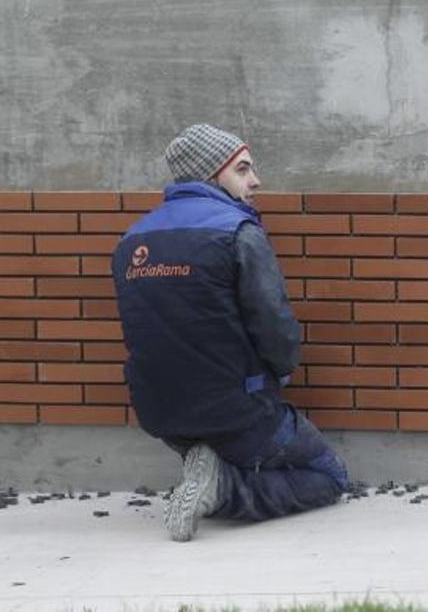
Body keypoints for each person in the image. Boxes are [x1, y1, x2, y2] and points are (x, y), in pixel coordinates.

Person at [112, 123, 349, 542]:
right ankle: (224, 488)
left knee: (232, 445)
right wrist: (280, 373)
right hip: (240, 413)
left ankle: (209, 472)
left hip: (163, 417)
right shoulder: (238, 232)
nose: (255, 180)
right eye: (242, 169)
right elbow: (275, 328)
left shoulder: (132, 242)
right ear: (211, 175)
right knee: (328, 476)